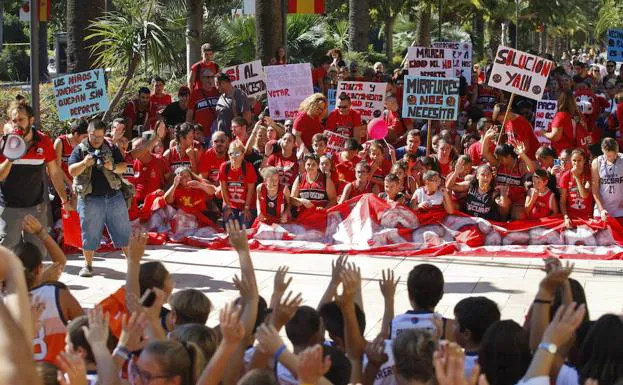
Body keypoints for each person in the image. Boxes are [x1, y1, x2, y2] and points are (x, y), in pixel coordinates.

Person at [0, 103, 72, 256]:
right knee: (6, 251)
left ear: (31, 120)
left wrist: (64, 200)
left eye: (21, 119)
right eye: (14, 121)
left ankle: (32, 280)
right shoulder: (5, 142)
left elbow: (54, 172)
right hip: (9, 207)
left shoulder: (43, 141)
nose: (17, 124)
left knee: (37, 251)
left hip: (36, 207)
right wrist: (11, 157)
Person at [68, 119, 131, 277]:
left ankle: (132, 263)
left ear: (104, 135)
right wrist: (84, 163)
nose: (96, 139)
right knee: (89, 233)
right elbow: (72, 170)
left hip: (113, 195)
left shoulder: (111, 147)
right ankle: (88, 265)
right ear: (88, 133)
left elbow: (124, 166)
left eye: (99, 136)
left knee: (123, 230)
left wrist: (113, 167)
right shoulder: (80, 150)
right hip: (90, 198)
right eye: (93, 136)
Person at [482, 130, 536, 220]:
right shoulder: (498, 164)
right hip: (503, 198)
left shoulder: (519, 165)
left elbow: (532, 168)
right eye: (498, 158)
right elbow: (485, 153)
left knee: (518, 216)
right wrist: (487, 137)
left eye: (501, 158)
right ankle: (503, 223)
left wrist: (522, 154)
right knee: (503, 206)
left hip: (518, 200)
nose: (499, 160)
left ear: (509, 156)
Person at [453, 297, 501, 380]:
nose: (452, 326)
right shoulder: (500, 359)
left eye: (455, 323)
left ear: (466, 334)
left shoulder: (456, 367)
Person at [219, 141, 258, 227]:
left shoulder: (248, 167)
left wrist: (246, 208)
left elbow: (251, 190)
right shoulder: (224, 167)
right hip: (230, 204)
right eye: (231, 154)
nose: (234, 157)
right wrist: (228, 207)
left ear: (242, 155)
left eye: (237, 153)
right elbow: (223, 189)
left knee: (244, 225)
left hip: (247, 205)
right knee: (231, 227)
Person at [544, 90, 587, 155]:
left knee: (558, 165)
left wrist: (543, 133)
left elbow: (555, 137)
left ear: (560, 100)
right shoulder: (579, 115)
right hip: (578, 152)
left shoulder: (560, 116)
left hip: (563, 154)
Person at [592, 137, 623, 223]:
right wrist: (601, 209)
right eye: (608, 155)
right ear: (602, 150)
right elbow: (595, 188)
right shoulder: (597, 162)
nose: (612, 157)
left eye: (615, 154)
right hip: (602, 211)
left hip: (620, 210)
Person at [560, 148, 593, 228]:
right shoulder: (566, 176)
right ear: (571, 161)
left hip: (588, 217)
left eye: (579, 160)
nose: (576, 163)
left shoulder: (589, 173)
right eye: (574, 160)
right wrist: (566, 217)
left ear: (584, 160)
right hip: (572, 217)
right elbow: (562, 202)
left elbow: (584, 195)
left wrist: (577, 177)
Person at [54, 118, 89, 193]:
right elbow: (57, 168)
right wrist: (70, 184)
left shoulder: (84, 144)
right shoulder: (60, 142)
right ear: (76, 134)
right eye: (84, 136)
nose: (86, 139)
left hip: (80, 181)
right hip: (65, 182)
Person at [215, 72, 253, 138]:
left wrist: (240, 136)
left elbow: (247, 116)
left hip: (234, 139)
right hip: (223, 139)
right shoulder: (221, 97)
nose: (216, 87)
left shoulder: (239, 94)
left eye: (217, 84)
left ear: (223, 83)